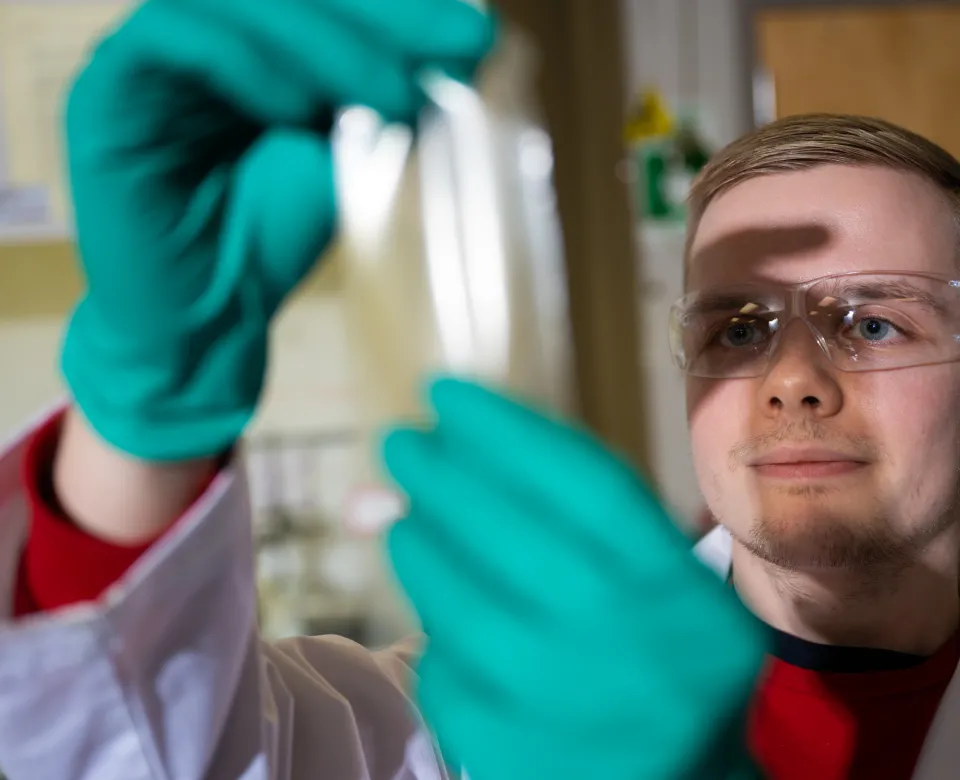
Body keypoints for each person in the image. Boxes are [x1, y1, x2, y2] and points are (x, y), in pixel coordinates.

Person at [0, 5, 954, 780]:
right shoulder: (453, 726)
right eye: (738, 331)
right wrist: (146, 408)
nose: (790, 383)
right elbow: (117, 749)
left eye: (875, 324)